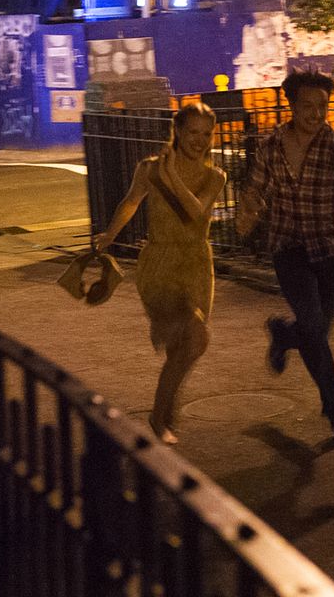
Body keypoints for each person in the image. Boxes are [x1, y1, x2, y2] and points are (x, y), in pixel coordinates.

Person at [235, 69, 334, 440]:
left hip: (329, 248)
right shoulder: (272, 147)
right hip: (289, 248)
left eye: (322, 107)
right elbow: (256, 189)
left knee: (316, 332)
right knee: (314, 327)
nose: (316, 114)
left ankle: (283, 334)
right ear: (292, 106)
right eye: (308, 107)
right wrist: (248, 210)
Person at [94, 102, 227, 445]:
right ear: (178, 132)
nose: (200, 140)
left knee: (181, 348)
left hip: (197, 266)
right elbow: (130, 201)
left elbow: (196, 214)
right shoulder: (150, 169)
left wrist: (170, 178)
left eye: (206, 134)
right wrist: (110, 234)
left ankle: (162, 414)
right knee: (196, 337)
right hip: (160, 265)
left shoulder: (215, 177)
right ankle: (161, 414)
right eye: (192, 132)